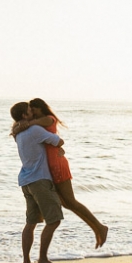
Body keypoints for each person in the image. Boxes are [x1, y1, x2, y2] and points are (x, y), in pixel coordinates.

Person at [12, 98, 108, 249]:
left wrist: (21, 126)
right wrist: (19, 127)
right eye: (30, 110)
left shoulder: (47, 120)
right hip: (48, 168)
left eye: (33, 109)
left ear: (40, 109)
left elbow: (49, 135)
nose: (32, 112)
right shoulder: (33, 126)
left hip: (56, 164)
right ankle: (97, 228)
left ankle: (99, 227)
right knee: (67, 203)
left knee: (70, 201)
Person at [10, 101, 64, 263]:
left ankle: (26, 261)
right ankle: (43, 259)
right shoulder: (34, 130)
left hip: (26, 181)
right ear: (25, 116)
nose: (32, 112)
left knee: (31, 222)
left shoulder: (19, 133)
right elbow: (59, 141)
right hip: (40, 180)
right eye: (29, 111)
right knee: (54, 220)